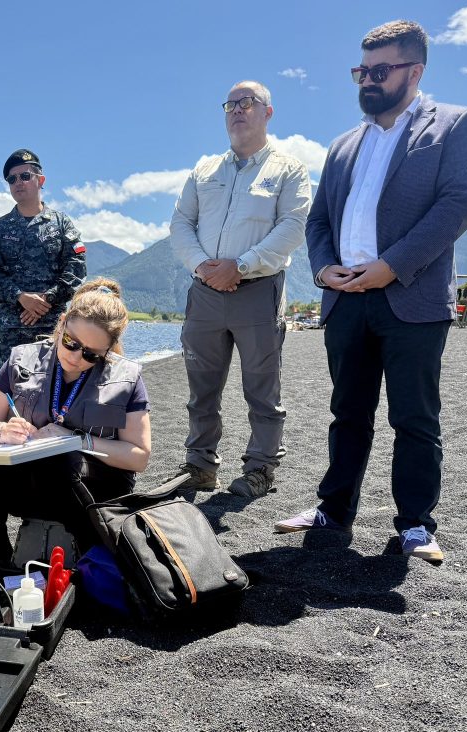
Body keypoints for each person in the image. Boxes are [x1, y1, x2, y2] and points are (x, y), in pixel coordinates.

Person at [274, 20, 467, 563]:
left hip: (411, 297)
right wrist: (323, 270)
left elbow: (458, 204)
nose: (367, 80)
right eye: (361, 71)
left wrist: (392, 266)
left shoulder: (457, 125)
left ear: (415, 71)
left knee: (414, 418)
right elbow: (319, 220)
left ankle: (415, 525)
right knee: (347, 413)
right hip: (346, 299)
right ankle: (333, 510)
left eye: (380, 70)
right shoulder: (345, 144)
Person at [171, 81, 311, 498]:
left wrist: (241, 265)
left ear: (268, 112)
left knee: (262, 389)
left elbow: (293, 226)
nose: (237, 110)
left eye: (247, 103)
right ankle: (199, 466)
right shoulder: (204, 171)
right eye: (230, 104)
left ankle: (260, 469)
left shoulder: (289, 170)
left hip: (258, 290)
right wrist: (202, 266)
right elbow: (181, 224)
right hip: (205, 293)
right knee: (201, 389)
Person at [0, 278, 152, 562]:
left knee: (63, 463)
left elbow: (138, 457)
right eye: (70, 343)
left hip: (96, 488)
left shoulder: (127, 377)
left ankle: (93, 555)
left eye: (91, 354)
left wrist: (77, 441)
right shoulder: (21, 360)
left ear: (109, 349)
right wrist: (3, 430)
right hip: (37, 482)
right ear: (61, 324)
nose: (76, 357)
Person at [0, 148, 88, 366]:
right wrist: (21, 297)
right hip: (11, 328)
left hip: (53, 325)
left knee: (55, 388)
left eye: (25, 176)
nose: (18, 182)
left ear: (41, 180)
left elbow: (76, 268)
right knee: (11, 391)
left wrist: (47, 299)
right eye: (12, 179)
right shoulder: (0, 228)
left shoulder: (61, 224)